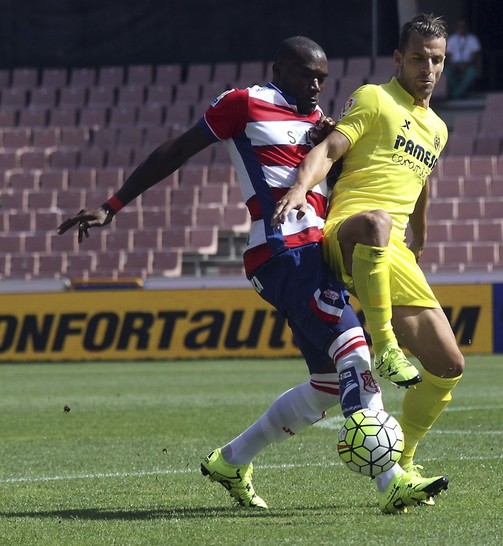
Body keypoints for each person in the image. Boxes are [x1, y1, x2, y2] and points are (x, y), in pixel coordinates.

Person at [57, 36, 447, 514]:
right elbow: (178, 150)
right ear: (279, 69)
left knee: (328, 383)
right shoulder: (245, 103)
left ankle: (231, 460)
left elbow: (346, 173)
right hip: (283, 250)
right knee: (355, 351)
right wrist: (111, 206)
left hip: (316, 253)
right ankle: (391, 483)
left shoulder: (319, 124)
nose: (316, 86)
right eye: (307, 76)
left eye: (322, 79)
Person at [273, 13, 465, 487]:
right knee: (378, 221)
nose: (427, 68)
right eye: (418, 58)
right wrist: (301, 186)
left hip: (393, 248)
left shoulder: (437, 128)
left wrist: (420, 232)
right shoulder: (375, 98)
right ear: (399, 59)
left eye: (436, 60)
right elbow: (332, 149)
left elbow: (419, 181)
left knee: (448, 366)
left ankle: (408, 461)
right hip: (350, 232)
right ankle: (384, 346)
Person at [444, 17, 481, 99]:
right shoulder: (452, 39)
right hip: (454, 65)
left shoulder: (472, 39)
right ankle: (458, 92)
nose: (462, 28)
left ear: (467, 27)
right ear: (456, 28)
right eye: (460, 26)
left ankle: (456, 94)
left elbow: (475, 55)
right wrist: (454, 65)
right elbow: (448, 55)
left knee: (472, 73)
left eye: (463, 26)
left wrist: (466, 65)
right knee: (446, 72)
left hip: (468, 64)